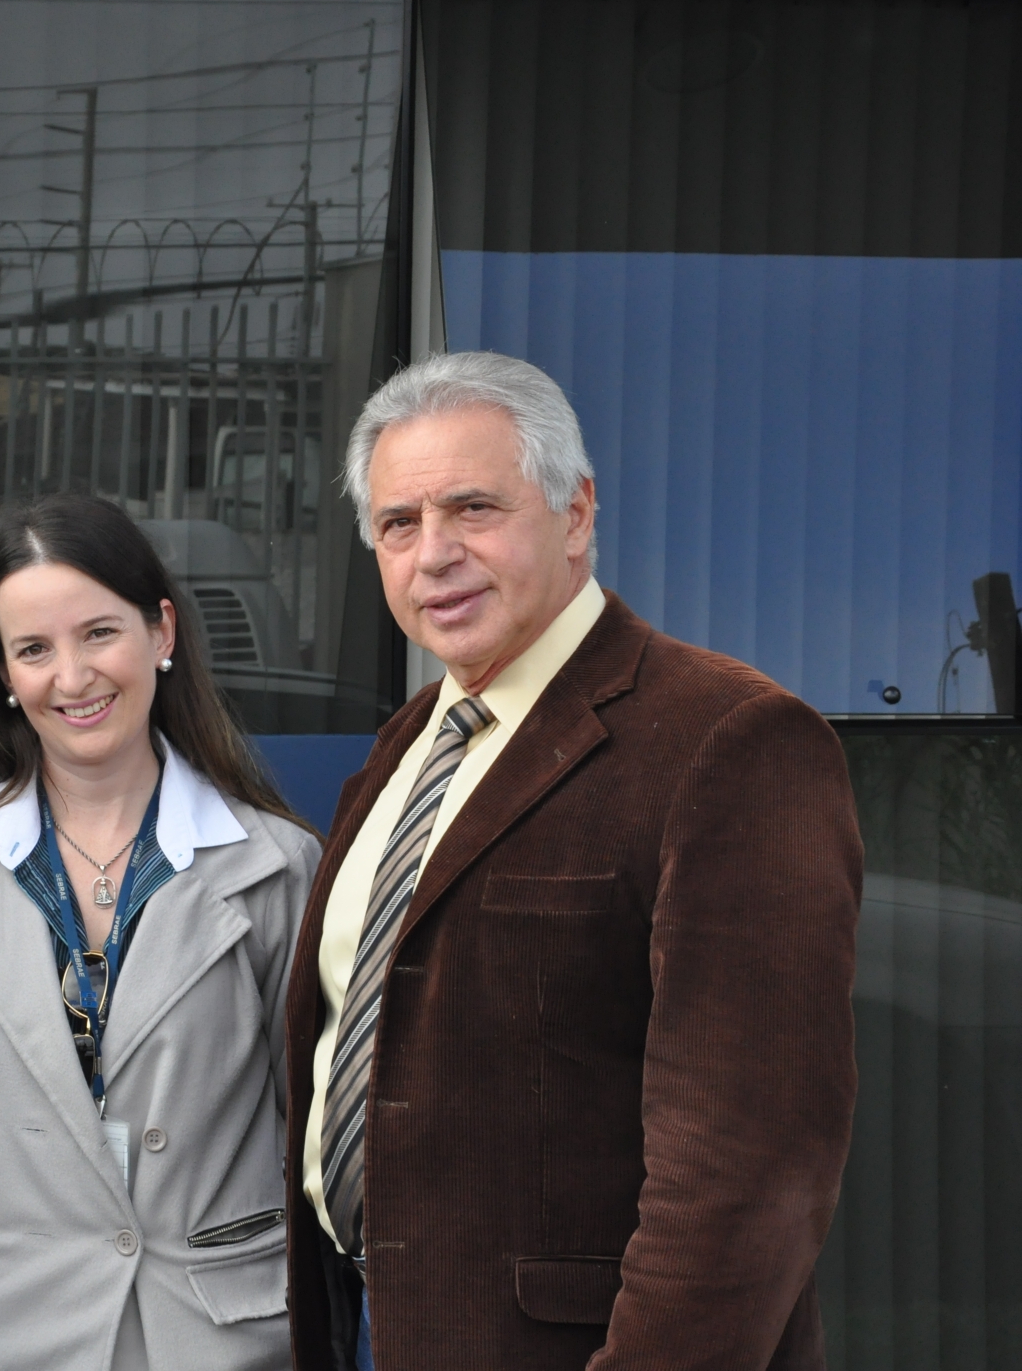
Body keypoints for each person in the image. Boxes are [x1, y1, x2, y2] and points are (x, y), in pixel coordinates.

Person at [283, 352, 860, 1369]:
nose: (434, 554)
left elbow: (747, 1171)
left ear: (576, 512)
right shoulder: (409, 740)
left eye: (472, 508)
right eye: (397, 523)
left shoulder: (726, 737)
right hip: (370, 1322)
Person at [0, 492, 320, 1371]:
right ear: (1, 672)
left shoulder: (278, 865)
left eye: (99, 633)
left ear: (163, 633)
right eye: (33, 650)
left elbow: (303, 1117)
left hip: (210, 1338)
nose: (71, 678)